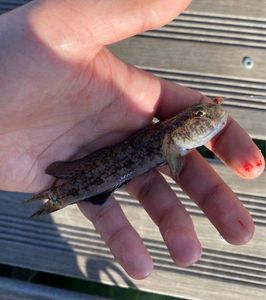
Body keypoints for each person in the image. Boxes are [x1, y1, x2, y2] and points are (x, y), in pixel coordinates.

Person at [0, 0, 264, 280]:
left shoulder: (172, 141)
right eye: (199, 114)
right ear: (180, 128)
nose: (208, 115)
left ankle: (59, 197)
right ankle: (58, 197)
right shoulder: (171, 140)